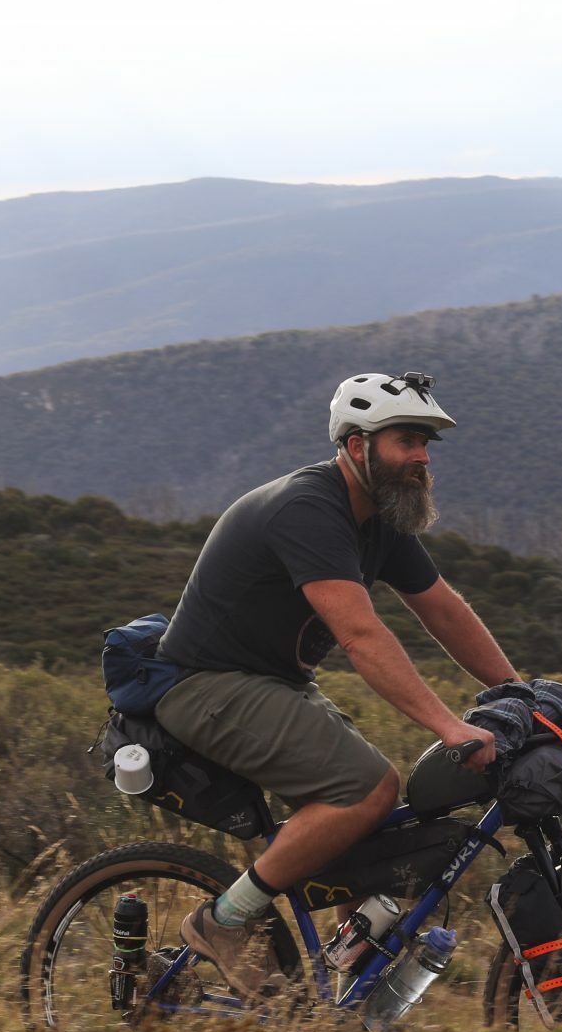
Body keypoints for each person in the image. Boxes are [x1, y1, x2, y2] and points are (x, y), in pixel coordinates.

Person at [157, 369, 517, 996]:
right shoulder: (310, 510)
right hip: (206, 685)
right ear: (357, 446)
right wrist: (449, 726)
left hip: (272, 683)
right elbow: (361, 637)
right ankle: (224, 922)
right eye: (406, 441)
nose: (422, 458)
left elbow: (443, 610)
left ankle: (340, 978)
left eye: (426, 444)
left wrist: (520, 691)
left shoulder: (380, 517)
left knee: (381, 825)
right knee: (367, 788)